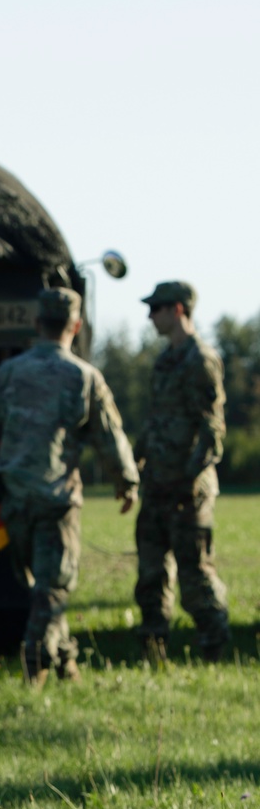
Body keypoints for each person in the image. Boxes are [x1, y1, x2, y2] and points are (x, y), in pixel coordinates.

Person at [0, 288, 139, 686]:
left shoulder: (9, 374)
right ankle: (35, 666)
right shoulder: (84, 376)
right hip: (57, 501)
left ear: (38, 323)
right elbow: (110, 435)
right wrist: (126, 481)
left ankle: (65, 661)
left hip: (15, 500)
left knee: (43, 586)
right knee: (52, 588)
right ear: (75, 326)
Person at [133, 280, 228, 662]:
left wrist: (188, 479)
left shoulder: (200, 360)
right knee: (151, 575)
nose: (149, 316)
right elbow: (156, 421)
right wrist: (135, 461)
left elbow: (212, 431)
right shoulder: (164, 360)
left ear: (177, 310)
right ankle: (153, 646)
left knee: (194, 574)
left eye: (155, 308)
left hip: (187, 491)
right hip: (157, 484)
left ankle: (214, 644)